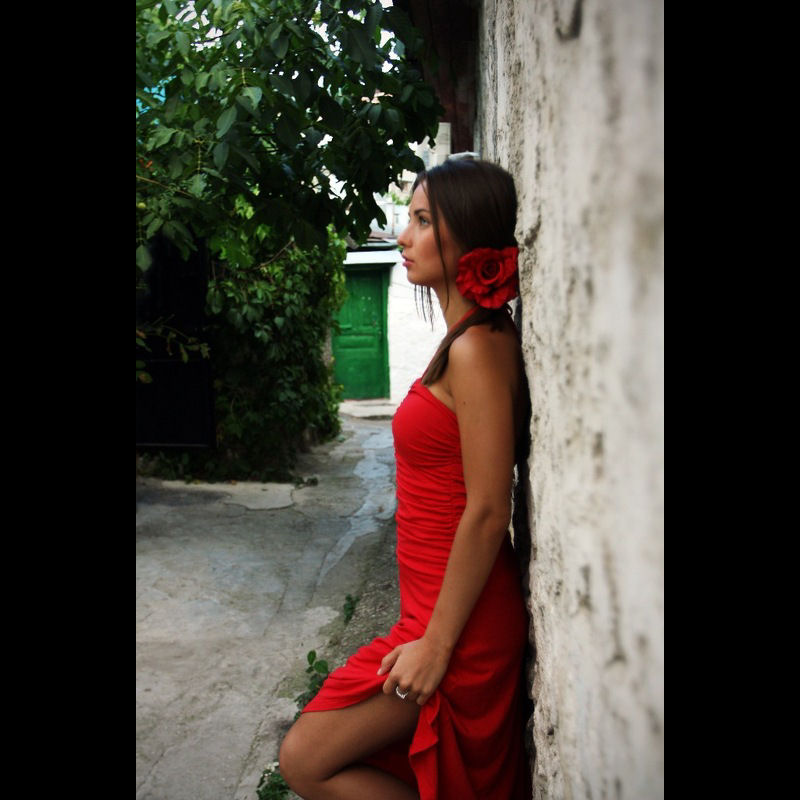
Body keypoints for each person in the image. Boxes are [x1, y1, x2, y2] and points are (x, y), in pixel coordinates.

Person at [279, 156, 531, 799]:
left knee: (306, 760)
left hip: (460, 626)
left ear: (467, 235)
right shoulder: (468, 338)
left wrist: (437, 646)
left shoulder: (477, 347)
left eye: (422, 221)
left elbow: (487, 510)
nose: (403, 236)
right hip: (432, 608)